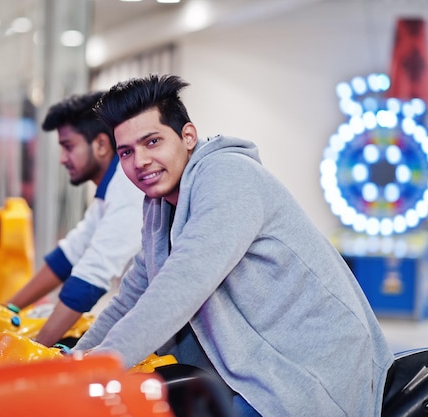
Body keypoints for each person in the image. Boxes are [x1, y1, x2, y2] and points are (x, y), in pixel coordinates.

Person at [73, 74, 395, 416]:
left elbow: (179, 287)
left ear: (188, 136)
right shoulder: (159, 208)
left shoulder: (228, 176)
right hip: (258, 369)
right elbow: (132, 297)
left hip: (308, 370)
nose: (139, 161)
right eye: (127, 152)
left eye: (152, 142)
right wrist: (71, 363)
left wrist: (98, 367)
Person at [5, 91, 144, 347]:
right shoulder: (108, 191)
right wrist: (7, 310)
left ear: (101, 145)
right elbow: (69, 255)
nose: (62, 158)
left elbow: (93, 273)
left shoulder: (126, 187)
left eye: (68, 146)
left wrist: (34, 349)